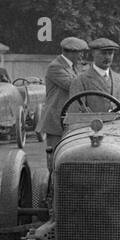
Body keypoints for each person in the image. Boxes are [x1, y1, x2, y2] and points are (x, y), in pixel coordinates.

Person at [39, 36, 88, 167]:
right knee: (56, 159)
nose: (82, 56)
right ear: (70, 52)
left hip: (70, 119)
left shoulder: (74, 67)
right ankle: (53, 186)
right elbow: (73, 85)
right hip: (56, 120)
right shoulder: (55, 67)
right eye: (80, 52)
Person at [68, 37, 120, 113]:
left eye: (110, 53)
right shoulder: (80, 80)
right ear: (93, 54)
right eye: (103, 53)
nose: (107, 57)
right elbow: (75, 115)